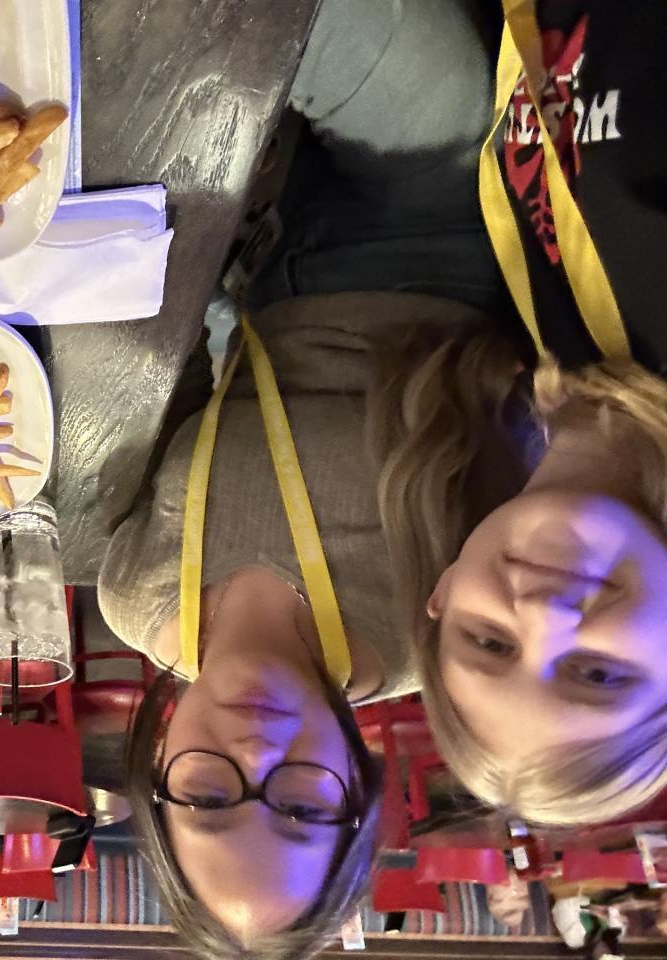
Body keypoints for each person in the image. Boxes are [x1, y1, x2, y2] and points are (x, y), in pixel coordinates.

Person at [98, 0, 506, 954]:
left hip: (256, 277)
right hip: (433, 247)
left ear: (158, 771)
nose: (254, 754)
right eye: (300, 806)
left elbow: (167, 388)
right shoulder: (437, 632)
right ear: (358, 784)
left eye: (209, 798)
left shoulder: (134, 599)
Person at [377, 0, 667, 827]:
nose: (543, 618)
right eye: (598, 674)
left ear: (443, 591)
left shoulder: (557, 370)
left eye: (490, 642)